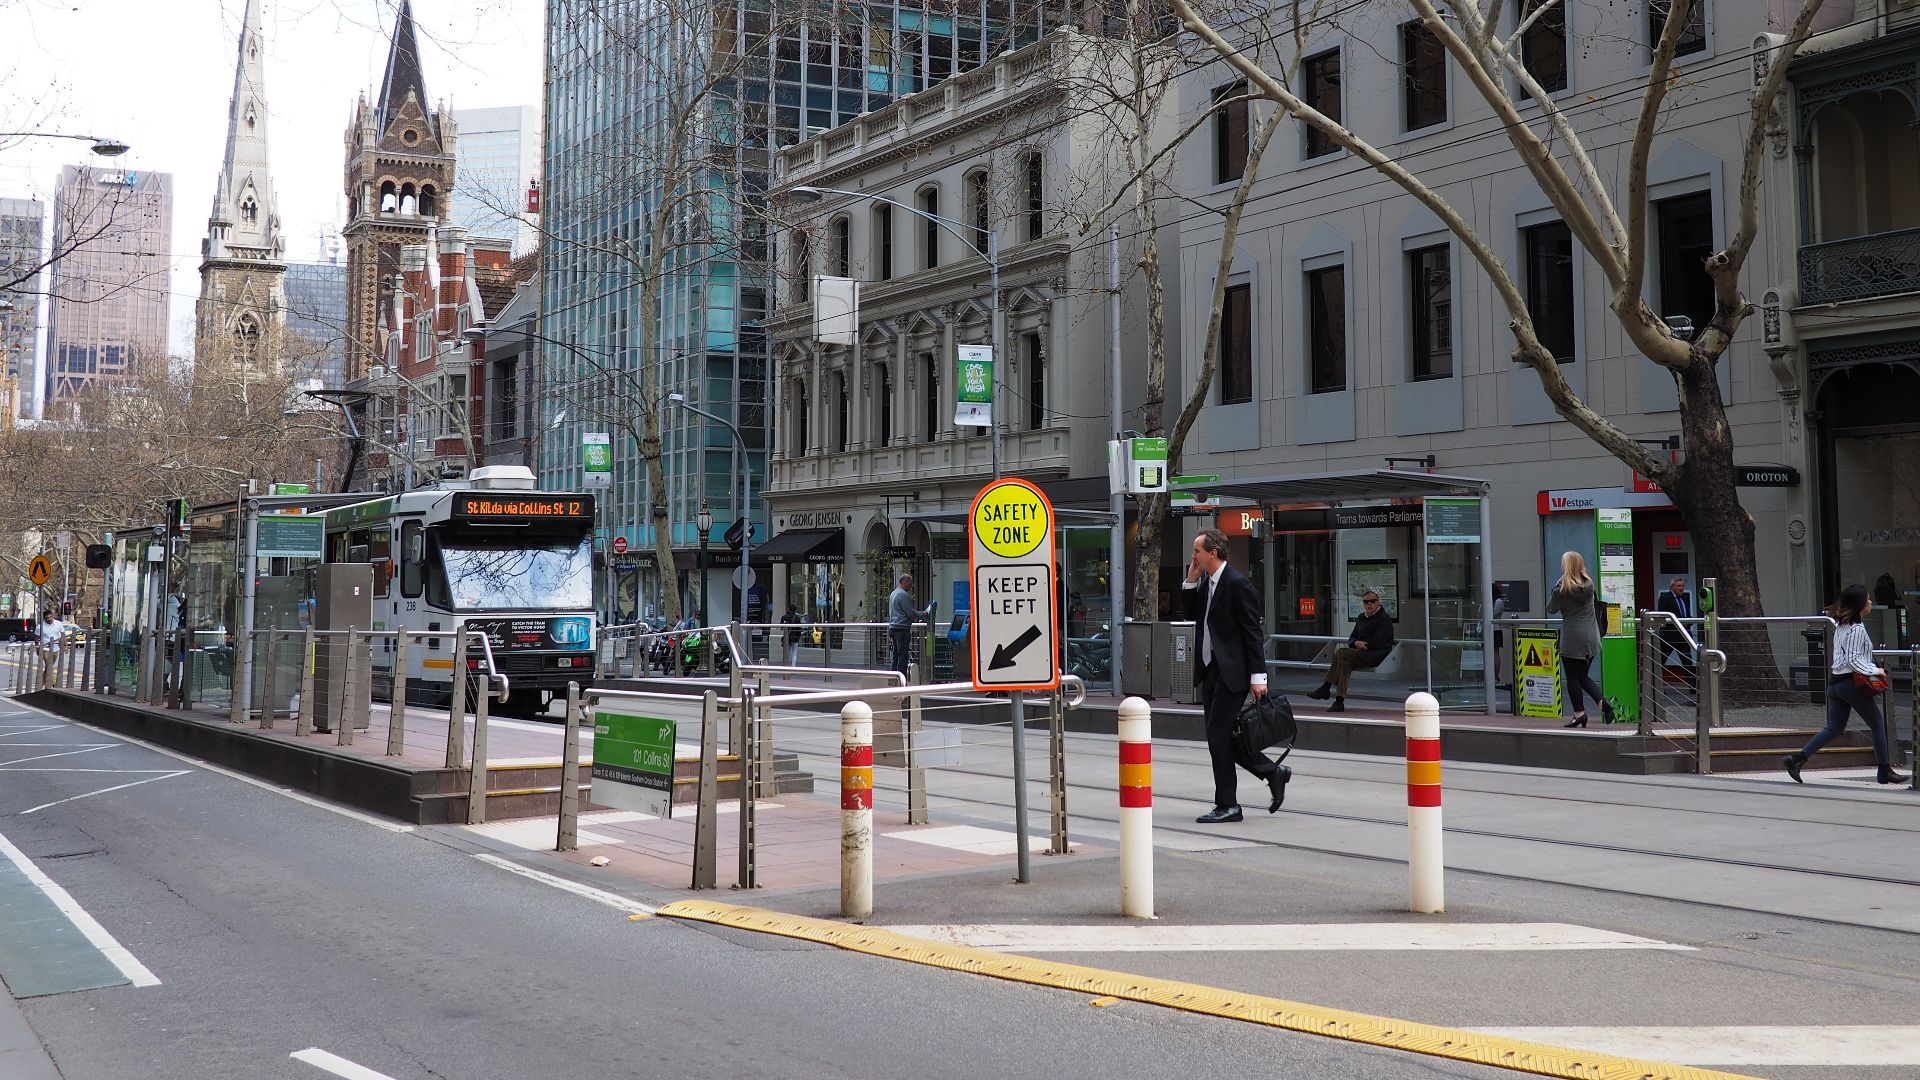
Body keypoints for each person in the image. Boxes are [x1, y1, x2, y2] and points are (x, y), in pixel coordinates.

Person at [1183, 528, 1290, 823]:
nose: (1193, 556)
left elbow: (1252, 632)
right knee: (1222, 737)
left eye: (1197, 551)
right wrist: (1191, 580)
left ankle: (1228, 805)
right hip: (1210, 669)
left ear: (1212, 553)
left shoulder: (1237, 583)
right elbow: (1191, 615)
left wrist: (1259, 677)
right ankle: (1272, 772)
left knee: (1217, 737)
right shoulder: (1207, 583)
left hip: (1233, 672)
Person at [1784, 584, 1909, 785]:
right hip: (1851, 684)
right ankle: (1884, 770)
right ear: (1860, 605)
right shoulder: (1856, 628)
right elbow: (1853, 660)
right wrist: (1876, 671)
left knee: (1834, 727)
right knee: (1877, 724)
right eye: (1868, 599)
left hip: (1835, 684)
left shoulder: (1841, 627)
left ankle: (1797, 758)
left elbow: (1845, 657)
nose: (1870, 602)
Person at [1545, 551, 1614, 728]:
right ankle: (1603, 703)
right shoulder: (1589, 585)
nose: (1561, 564)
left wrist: (1556, 587)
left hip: (1572, 637)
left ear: (1567, 566)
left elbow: (1551, 609)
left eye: (1563, 562)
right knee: (1582, 675)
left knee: (1572, 677)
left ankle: (1579, 714)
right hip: (1591, 636)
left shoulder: (1562, 589)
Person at [1306, 591, 1396, 712]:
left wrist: (1364, 644)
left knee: (1341, 652)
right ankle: (1339, 701)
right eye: (1366, 602)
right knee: (1344, 663)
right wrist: (1356, 643)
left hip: (1376, 655)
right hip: (1361, 653)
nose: (1369, 604)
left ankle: (1326, 687)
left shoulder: (1384, 619)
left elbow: (1381, 641)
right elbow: (1352, 637)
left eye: (1373, 601)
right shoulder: (1361, 617)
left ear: (1378, 602)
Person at [1655, 577, 1696, 683]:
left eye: (1682, 586)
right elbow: (1663, 616)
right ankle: (1655, 686)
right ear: (1672, 587)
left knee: (1688, 663)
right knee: (1660, 662)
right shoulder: (1665, 598)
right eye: (1679, 586)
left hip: (1683, 636)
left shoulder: (1684, 598)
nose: (1681, 588)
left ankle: (1693, 688)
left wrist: (1689, 621)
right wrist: (1681, 623)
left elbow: (1686, 614)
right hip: (1669, 636)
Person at [887, 574, 928, 677]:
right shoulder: (903, 595)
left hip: (893, 628)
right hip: (902, 629)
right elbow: (910, 612)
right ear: (905, 582)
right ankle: (902, 679)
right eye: (910, 583)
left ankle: (893, 678)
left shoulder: (893, 593)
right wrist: (923, 614)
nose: (911, 586)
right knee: (903, 657)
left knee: (896, 656)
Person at [35, 611, 64, 685]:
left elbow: (63, 634)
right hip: (45, 649)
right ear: (44, 618)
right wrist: (37, 648)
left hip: (55, 648)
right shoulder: (40, 627)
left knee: (49, 666)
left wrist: (65, 645)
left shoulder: (58, 623)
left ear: (53, 616)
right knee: (50, 666)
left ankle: (41, 682)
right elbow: (36, 637)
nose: (49, 619)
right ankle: (54, 683)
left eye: (51, 617)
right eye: (47, 618)